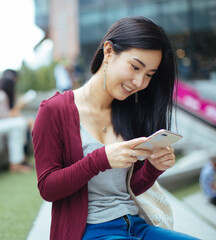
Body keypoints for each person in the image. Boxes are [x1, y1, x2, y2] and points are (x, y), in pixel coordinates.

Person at [32, 16, 199, 240]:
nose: (140, 82)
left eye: (149, 74)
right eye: (135, 67)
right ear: (109, 51)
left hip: (137, 226)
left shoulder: (130, 111)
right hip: (91, 231)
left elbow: (128, 190)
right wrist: (100, 159)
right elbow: (48, 188)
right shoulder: (53, 110)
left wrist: (153, 168)